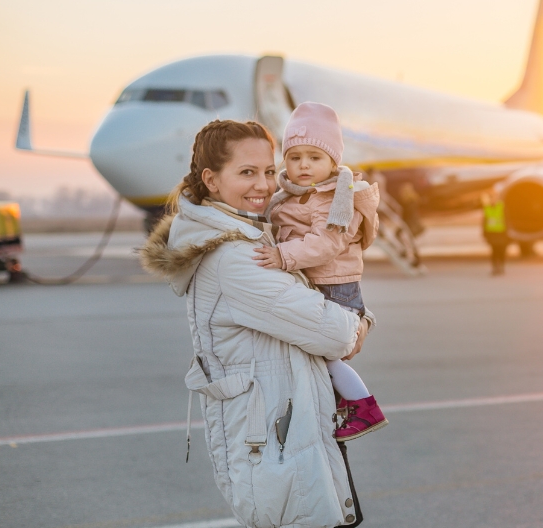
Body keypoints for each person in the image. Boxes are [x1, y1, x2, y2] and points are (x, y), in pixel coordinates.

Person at [139, 119, 368, 527]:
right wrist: (360, 320)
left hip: (280, 439)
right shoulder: (235, 260)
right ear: (211, 180)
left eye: (267, 170)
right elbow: (337, 334)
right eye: (246, 173)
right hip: (276, 448)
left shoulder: (252, 238)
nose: (263, 185)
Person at [253, 102, 387, 441]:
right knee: (315, 357)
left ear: (333, 162)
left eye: (314, 157)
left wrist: (282, 256)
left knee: (324, 354)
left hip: (333, 286)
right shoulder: (293, 195)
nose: (303, 165)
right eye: (295, 157)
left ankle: (364, 405)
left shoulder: (332, 198)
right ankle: (341, 399)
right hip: (318, 282)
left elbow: (325, 243)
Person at [481, 194, 509, 276]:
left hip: (502, 234)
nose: (493, 200)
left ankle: (501, 266)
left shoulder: (502, 207)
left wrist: (508, 234)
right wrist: (485, 234)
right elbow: (484, 222)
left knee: (502, 252)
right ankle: (495, 268)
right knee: (494, 252)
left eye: (495, 198)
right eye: (492, 198)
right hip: (492, 234)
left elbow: (507, 221)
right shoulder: (487, 208)